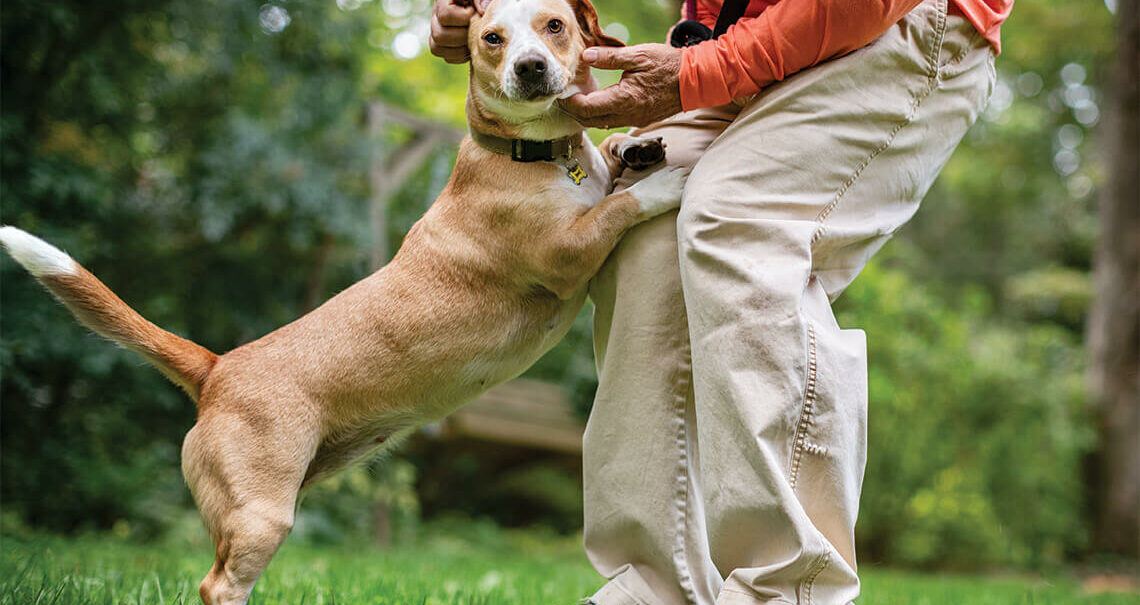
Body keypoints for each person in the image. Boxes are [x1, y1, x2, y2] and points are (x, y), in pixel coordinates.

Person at [432, 0, 1011, 603]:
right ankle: (655, 586)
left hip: (887, 24)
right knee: (644, 229)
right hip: (740, 37)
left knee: (734, 220)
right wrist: (472, 9)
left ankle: (787, 587)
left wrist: (698, 73)